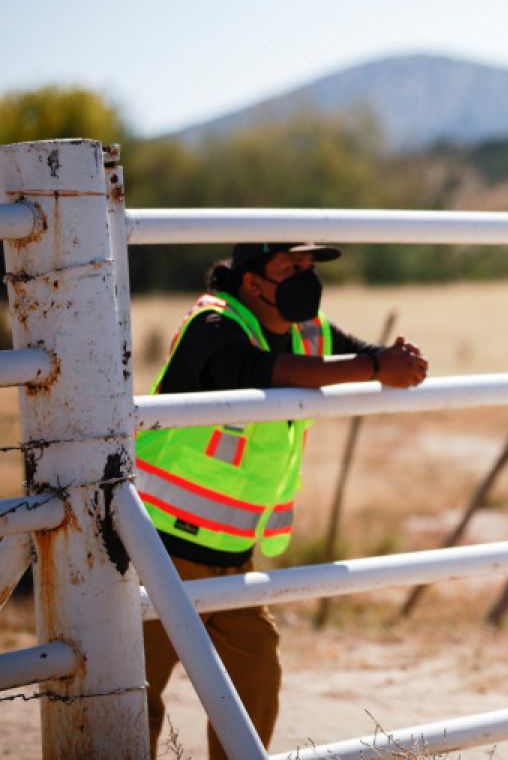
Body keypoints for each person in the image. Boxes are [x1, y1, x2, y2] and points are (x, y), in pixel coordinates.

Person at [135, 242, 428, 759]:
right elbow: (272, 372)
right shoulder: (215, 325)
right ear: (253, 281)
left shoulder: (309, 332)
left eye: (311, 268)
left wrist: (394, 361)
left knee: (255, 679)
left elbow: (360, 358)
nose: (307, 279)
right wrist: (374, 366)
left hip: (234, 559)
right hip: (160, 550)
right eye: (292, 267)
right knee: (136, 694)